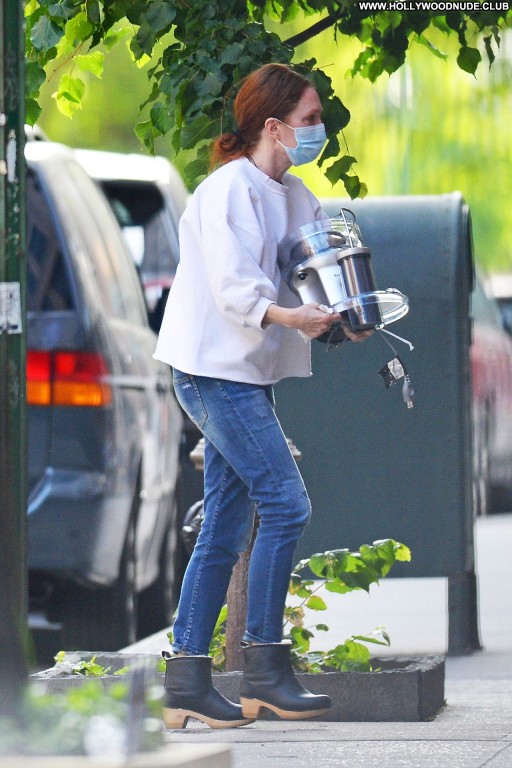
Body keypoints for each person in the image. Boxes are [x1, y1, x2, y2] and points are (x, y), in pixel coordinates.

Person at [154, 62, 371, 730]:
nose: (318, 129)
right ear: (273, 126)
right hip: (210, 371)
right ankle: (265, 670)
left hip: (245, 375)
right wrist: (290, 318)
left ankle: (186, 682)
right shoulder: (226, 191)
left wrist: (344, 319)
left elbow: (313, 275)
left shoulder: (298, 196)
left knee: (224, 523)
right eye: (310, 119)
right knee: (285, 503)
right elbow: (235, 290)